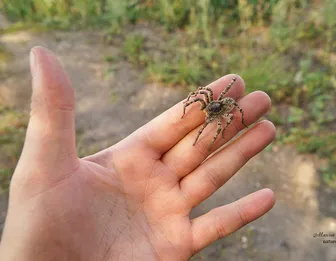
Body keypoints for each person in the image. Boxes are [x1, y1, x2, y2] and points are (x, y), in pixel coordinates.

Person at [0, 46, 276, 261]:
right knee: (207, 96)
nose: (209, 111)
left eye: (212, 110)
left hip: (226, 111)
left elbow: (225, 119)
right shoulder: (208, 102)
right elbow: (202, 93)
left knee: (223, 120)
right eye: (210, 107)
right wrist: (190, 105)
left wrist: (231, 117)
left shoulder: (222, 111)